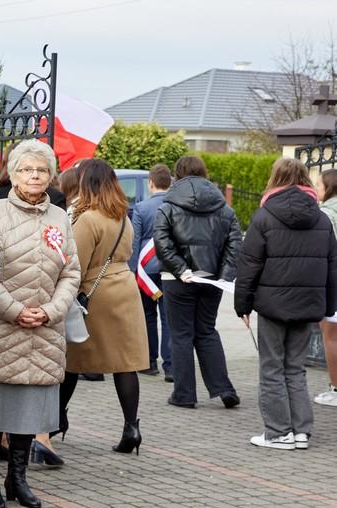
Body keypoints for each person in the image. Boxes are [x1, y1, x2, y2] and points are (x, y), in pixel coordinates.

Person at [0, 140, 80, 508]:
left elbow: (71, 271)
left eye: (41, 170)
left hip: (44, 328)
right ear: (13, 174)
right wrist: (14, 310)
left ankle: (17, 478)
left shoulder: (60, 217)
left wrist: (51, 310)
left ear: (51, 176)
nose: (34, 176)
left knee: (31, 407)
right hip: (2, 325)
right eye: (26, 169)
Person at [235, 158, 337, 449]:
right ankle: (301, 432)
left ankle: (279, 432)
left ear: (275, 178)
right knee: (295, 368)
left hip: (272, 305)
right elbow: (332, 267)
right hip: (307, 304)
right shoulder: (321, 219)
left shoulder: (264, 216)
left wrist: (242, 305)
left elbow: (249, 265)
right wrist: (329, 306)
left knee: (271, 368)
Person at [62, 159, 149, 455]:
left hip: (96, 293)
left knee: (72, 358)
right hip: (125, 288)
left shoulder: (88, 219)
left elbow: (77, 263)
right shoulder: (122, 216)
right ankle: (131, 427)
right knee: (125, 363)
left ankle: (56, 419)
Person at [153, 156, 242, 409]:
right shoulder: (224, 208)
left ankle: (184, 395)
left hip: (177, 279)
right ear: (205, 173)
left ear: (177, 174)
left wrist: (181, 269)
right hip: (211, 279)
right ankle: (224, 388)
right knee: (206, 331)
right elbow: (235, 243)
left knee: (181, 335)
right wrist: (224, 276)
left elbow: (161, 241)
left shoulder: (168, 206)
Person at [129, 164, 173, 381]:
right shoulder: (176, 206)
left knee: (148, 316)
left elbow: (135, 241)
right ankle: (171, 366)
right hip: (170, 268)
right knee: (168, 318)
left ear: (151, 183)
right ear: (170, 183)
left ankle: (149, 361)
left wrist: (133, 270)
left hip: (146, 271)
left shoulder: (141, 208)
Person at [314, 169, 337, 407]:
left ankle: (336, 388)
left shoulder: (325, 214)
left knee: (331, 336)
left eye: (319, 185)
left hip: (332, 280)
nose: (316, 189)